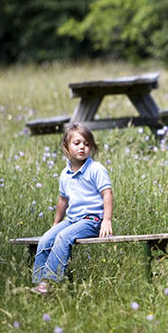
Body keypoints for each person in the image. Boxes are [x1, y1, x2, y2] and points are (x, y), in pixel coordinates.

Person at [31, 123, 113, 295]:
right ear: (66, 147)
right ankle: (39, 283)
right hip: (72, 220)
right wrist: (56, 223)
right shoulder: (65, 174)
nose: (82, 147)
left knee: (63, 237)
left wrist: (106, 219)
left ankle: (50, 280)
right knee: (46, 238)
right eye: (77, 143)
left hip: (92, 220)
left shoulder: (96, 169)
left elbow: (107, 194)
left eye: (87, 143)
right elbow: (63, 200)